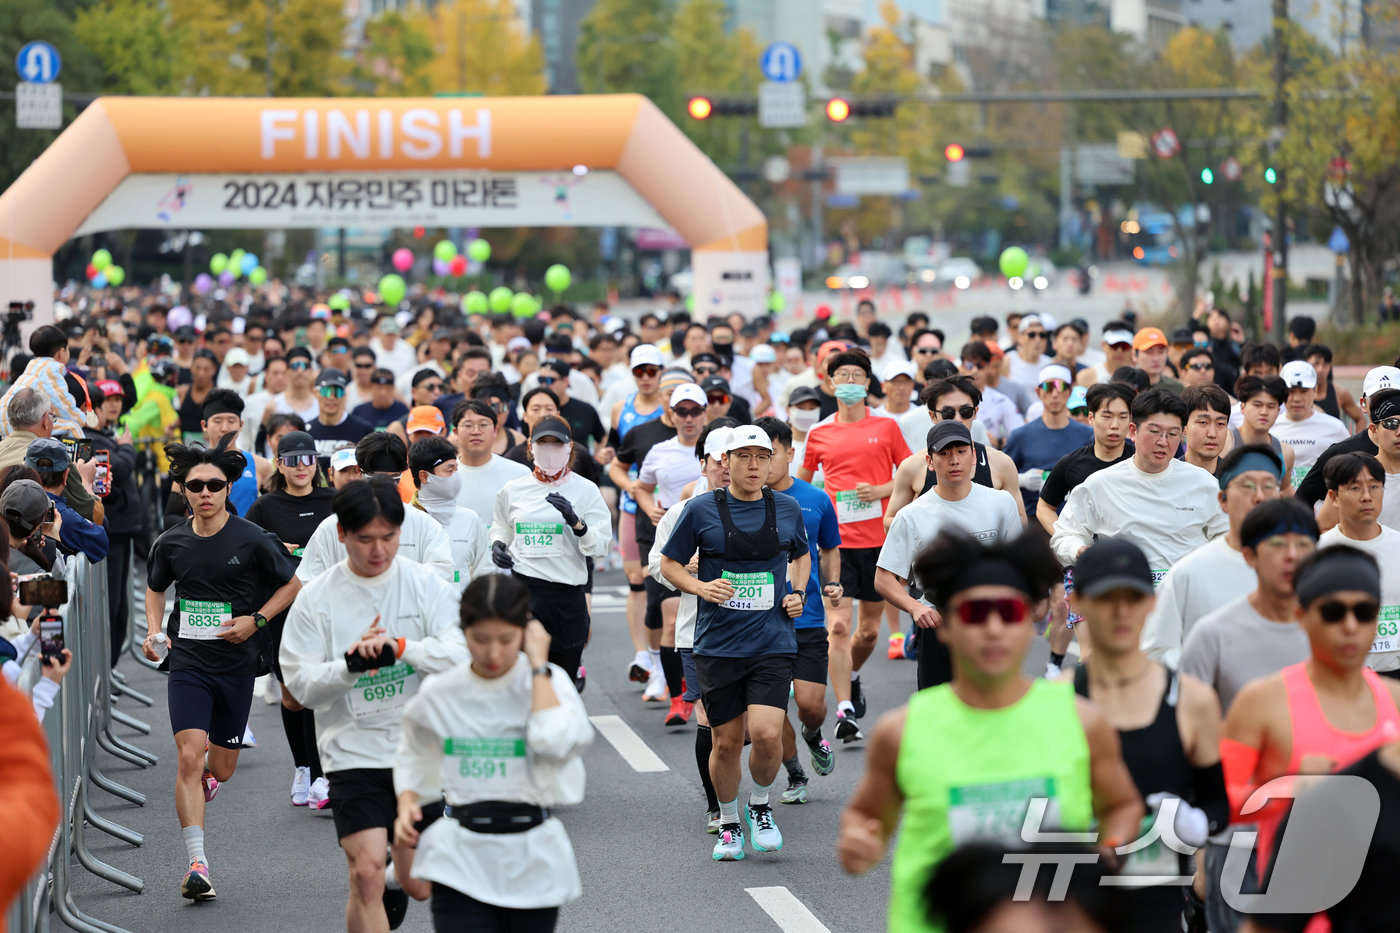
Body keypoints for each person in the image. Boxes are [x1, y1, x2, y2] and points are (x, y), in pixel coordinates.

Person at [837, 531, 1143, 933]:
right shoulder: (902, 730)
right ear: (945, 625)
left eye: (1009, 613)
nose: (994, 629)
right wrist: (860, 841)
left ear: (1030, 622)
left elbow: (1122, 805)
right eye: (976, 614)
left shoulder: (1081, 721)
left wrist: (1107, 854)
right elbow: (866, 814)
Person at [279, 476, 468, 933]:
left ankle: (395, 875)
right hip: (352, 750)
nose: (378, 550)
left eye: (389, 537)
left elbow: (462, 655)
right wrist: (349, 666)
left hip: (419, 751)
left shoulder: (426, 585)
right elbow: (298, 687)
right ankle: (376, 875)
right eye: (365, 539)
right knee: (363, 874)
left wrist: (402, 648)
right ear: (342, 533)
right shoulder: (317, 599)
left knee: (419, 884)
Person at [142, 435, 303, 901]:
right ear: (184, 490)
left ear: (228, 487)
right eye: (197, 485)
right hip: (188, 661)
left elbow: (292, 586)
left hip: (235, 663)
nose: (206, 492)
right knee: (189, 756)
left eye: (216, 484)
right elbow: (155, 589)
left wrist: (256, 621)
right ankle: (198, 864)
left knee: (222, 768)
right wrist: (156, 630)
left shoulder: (252, 538)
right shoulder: (171, 541)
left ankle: (211, 778)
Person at [392, 574, 593, 933]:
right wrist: (409, 800)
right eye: (480, 639)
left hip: (531, 855)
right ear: (463, 630)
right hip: (460, 853)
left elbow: (556, 740)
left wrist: (538, 667)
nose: (494, 653)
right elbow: (414, 752)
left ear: (526, 631)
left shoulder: (551, 681)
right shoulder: (442, 690)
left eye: (506, 639)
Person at [660, 425, 810, 860]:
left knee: (765, 735)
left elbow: (801, 555)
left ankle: (760, 807)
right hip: (717, 646)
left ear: (771, 462)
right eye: (743, 457)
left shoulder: (787, 507)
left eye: (761, 457)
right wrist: (700, 588)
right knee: (726, 741)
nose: (753, 465)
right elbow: (669, 564)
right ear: (725, 462)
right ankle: (728, 821)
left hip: (772, 642)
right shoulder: (701, 509)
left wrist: (796, 592)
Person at [1221, 546, 1400, 902]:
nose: (1350, 627)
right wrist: (1290, 789)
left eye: (1363, 613)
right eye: (1333, 613)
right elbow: (1221, 803)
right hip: (1299, 911)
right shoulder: (1260, 703)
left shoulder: (1395, 700)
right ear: (1302, 616)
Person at [1069, 539, 1228, 933]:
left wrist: (1193, 824)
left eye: (1134, 596)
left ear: (1152, 603)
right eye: (1107, 598)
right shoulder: (1054, 703)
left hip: (1156, 907)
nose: (1121, 611)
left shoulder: (1192, 700)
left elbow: (1218, 805)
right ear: (1077, 604)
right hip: (1070, 904)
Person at [799, 348, 910, 742]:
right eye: (841, 376)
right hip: (836, 546)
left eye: (856, 375)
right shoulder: (819, 432)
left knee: (868, 633)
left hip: (880, 542)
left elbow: (911, 476)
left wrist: (879, 490)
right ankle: (845, 709)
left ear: (867, 383)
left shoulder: (888, 428)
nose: (848, 382)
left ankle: (855, 675)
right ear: (830, 383)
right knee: (840, 627)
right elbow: (801, 483)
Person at [875, 421, 1023, 691]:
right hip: (939, 625)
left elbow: (1017, 565)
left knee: (994, 713)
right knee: (939, 719)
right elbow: (883, 578)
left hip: (991, 624)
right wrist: (915, 608)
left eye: (961, 451)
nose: (954, 460)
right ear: (930, 462)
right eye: (944, 453)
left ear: (974, 456)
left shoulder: (1001, 503)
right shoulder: (911, 515)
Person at [244, 430, 337, 809]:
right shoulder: (266, 506)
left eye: (309, 459)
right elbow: (249, 550)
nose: (302, 467)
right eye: (293, 460)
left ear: (318, 463)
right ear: (279, 464)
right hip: (283, 607)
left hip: (329, 606)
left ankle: (321, 773)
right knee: (292, 694)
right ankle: (302, 767)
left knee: (323, 691)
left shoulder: (334, 500)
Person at [1052, 388, 1228, 579]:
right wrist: (1079, 550)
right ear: (1133, 431)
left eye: (1172, 434)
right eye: (1154, 431)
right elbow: (1063, 536)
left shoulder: (1203, 483)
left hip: (1186, 596)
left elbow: (1227, 535)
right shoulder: (1101, 484)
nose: (1163, 441)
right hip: (1123, 594)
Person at [491, 417, 611, 690]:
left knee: (563, 685)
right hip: (525, 594)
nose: (549, 448)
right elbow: (501, 526)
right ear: (530, 448)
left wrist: (577, 523)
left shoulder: (585, 490)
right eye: (542, 442)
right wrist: (498, 544)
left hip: (567, 597)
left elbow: (600, 546)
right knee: (522, 681)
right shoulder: (513, 489)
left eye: (556, 442)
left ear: (570, 447)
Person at [756, 416, 841, 800]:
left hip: (807, 620)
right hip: (760, 624)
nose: (763, 463)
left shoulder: (816, 498)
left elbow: (829, 546)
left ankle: (811, 733)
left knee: (810, 705)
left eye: (770, 454)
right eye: (755, 455)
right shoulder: (744, 501)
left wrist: (832, 581)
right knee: (772, 709)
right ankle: (795, 774)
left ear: (790, 453)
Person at [1141, 445, 1285, 669]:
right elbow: (1155, 649)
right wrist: (1211, 666)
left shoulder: (1304, 570)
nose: (1259, 497)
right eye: (1247, 486)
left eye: (1268, 486)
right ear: (1223, 500)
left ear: (1281, 497)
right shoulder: (1189, 572)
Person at [1180, 498, 1318, 713]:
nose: (1292, 555)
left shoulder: (1334, 627)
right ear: (1250, 556)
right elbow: (1190, 722)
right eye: (1278, 543)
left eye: (1303, 544)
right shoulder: (1212, 635)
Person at [633, 383, 709, 701]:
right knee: (661, 613)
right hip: (668, 537)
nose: (688, 418)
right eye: (682, 411)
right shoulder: (659, 450)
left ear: (705, 413)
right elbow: (640, 486)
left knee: (677, 616)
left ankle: (682, 695)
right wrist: (651, 509)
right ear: (671, 414)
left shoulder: (718, 449)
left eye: (695, 411)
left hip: (707, 542)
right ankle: (666, 678)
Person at [297, 433, 455, 583]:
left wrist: (392, 585)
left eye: (394, 478)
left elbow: (443, 570)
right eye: (378, 478)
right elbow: (309, 582)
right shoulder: (330, 528)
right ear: (359, 471)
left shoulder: (423, 524)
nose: (385, 487)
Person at [609, 361, 682, 684]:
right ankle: (652, 660)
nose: (685, 413)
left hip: (701, 530)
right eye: (669, 393)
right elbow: (620, 470)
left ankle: (683, 679)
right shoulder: (643, 434)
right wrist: (644, 500)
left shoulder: (709, 435)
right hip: (651, 525)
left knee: (683, 606)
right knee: (654, 600)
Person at [887, 377, 1021, 528]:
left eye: (965, 411)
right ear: (932, 416)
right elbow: (890, 521)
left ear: (975, 412)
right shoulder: (912, 466)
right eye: (948, 413)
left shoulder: (1000, 462)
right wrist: (926, 523)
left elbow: (1019, 518)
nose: (958, 419)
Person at [1318, 453, 1400, 675]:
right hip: (1338, 675)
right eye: (1355, 488)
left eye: (1374, 487)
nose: (1367, 496)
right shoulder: (1317, 553)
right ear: (1333, 497)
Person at [1294, 366, 1399, 509]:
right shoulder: (1341, 453)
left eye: (1395, 398)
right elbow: (1301, 501)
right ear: (1363, 404)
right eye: (1377, 399)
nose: (1387, 405)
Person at [0, 387, 102, 523]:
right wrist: (85, 480)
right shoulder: (52, 457)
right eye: (53, 418)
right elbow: (95, 516)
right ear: (45, 421)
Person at [1003, 364, 1094, 514]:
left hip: (1079, 524)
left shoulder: (1088, 435)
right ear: (1038, 392)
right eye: (1048, 387)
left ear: (1069, 391)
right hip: (1034, 525)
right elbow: (1000, 477)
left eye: (1061, 386)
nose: (1055, 394)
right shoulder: (1020, 436)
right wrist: (1022, 479)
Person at [407, 436, 489, 590]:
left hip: (460, 610)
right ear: (424, 476)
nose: (456, 477)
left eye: (456, 470)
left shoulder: (470, 520)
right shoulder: (404, 520)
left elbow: (485, 571)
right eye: (449, 470)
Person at [450, 399, 531, 531]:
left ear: (495, 431)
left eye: (483, 425)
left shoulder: (519, 474)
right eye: (468, 425)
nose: (476, 431)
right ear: (455, 433)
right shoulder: (444, 476)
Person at [25, 438, 110, 563]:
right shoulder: (65, 516)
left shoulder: (11, 504)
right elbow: (100, 543)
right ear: (65, 476)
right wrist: (85, 483)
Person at [1270, 361, 1349, 487]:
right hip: (1280, 505)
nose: (1297, 398)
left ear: (1315, 391)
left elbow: (1350, 469)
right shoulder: (1270, 427)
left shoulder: (1335, 428)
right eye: (1290, 391)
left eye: (1304, 391)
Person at [1231, 375, 1296, 493]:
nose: (1264, 412)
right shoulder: (1225, 442)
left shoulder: (1286, 452)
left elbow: (1285, 489)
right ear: (1242, 407)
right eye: (1257, 405)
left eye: (1271, 407)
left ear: (1278, 412)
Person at [310, 368, 374, 469]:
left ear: (345, 394)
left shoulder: (363, 430)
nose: (331, 397)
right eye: (326, 391)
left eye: (337, 391)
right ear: (315, 392)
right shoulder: (306, 431)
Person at [1304, 343, 1363, 425]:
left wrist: (1358, 438)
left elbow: (1360, 418)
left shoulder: (1339, 393)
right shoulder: (1295, 393)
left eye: (1325, 365)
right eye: (1316, 364)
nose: (1320, 369)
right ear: (1305, 364)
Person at [1181, 383, 1232, 474]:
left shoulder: (1235, 479)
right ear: (1184, 426)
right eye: (1203, 422)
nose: (1212, 434)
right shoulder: (1167, 478)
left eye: (1220, 424)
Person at [1075, 320, 1136, 387]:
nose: (1119, 350)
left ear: (1132, 348)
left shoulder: (1139, 377)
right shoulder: (1086, 377)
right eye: (1114, 345)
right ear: (1103, 345)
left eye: (1125, 346)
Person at [1003, 314, 1051, 388]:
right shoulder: (1008, 361)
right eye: (1031, 335)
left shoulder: (1050, 364)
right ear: (1020, 337)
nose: (1037, 340)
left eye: (1042, 335)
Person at [1131, 328, 1184, 394]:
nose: (1156, 358)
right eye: (1149, 352)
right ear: (1134, 355)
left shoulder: (1177, 389)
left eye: (1161, 352)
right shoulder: (1126, 388)